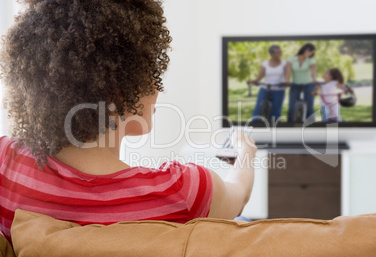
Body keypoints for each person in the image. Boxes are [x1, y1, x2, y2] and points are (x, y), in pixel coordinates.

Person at [0, 0, 257, 243]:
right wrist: (246, 152)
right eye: (150, 73)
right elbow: (239, 193)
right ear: (121, 89)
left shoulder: (5, 165)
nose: (158, 88)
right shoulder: (183, 192)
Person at [249, 45, 287, 122]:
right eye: (278, 52)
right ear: (272, 54)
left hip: (279, 89)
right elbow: (260, 75)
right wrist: (255, 80)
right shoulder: (265, 63)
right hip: (265, 88)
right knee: (258, 109)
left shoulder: (285, 63)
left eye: (281, 51)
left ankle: (274, 128)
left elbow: (287, 75)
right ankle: (254, 126)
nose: (280, 53)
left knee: (276, 111)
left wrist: (286, 82)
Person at [285, 43, 317, 122]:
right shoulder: (291, 60)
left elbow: (313, 73)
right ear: (304, 49)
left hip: (309, 85)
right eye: (309, 51)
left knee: (309, 107)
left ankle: (311, 126)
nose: (309, 53)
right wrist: (287, 80)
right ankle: (290, 125)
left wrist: (314, 80)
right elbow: (288, 71)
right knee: (292, 107)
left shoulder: (311, 61)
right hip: (295, 84)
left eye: (311, 53)